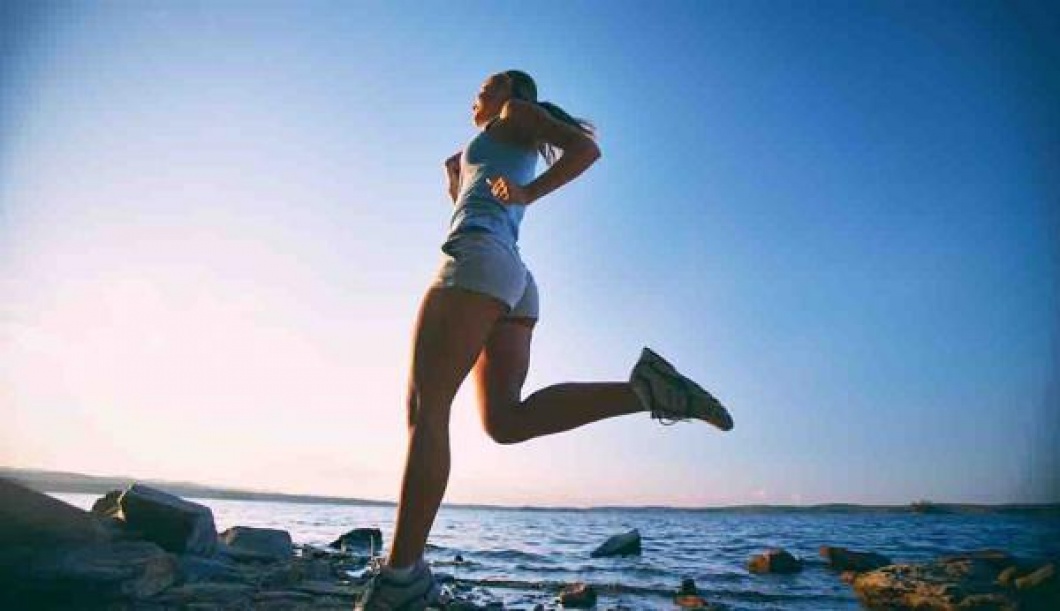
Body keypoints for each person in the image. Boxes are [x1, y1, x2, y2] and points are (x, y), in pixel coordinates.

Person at [355, 70, 734, 610]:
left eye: (487, 85)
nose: (477, 94)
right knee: (505, 422)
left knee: (426, 408)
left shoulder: (514, 116)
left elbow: (585, 149)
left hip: (479, 256)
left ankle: (401, 579)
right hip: (511, 275)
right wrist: (456, 182)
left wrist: (529, 191)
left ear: (512, 95)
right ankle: (648, 390)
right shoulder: (500, 137)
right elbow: (489, 196)